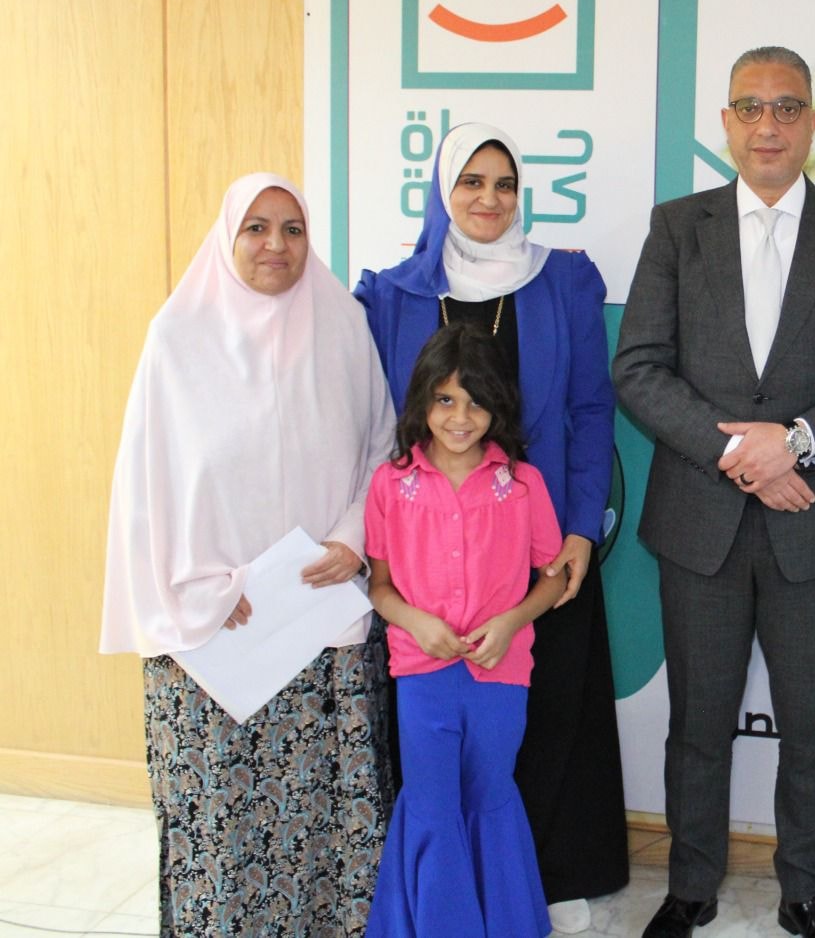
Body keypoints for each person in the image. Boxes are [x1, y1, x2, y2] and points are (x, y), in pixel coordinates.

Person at [613, 45, 815, 938]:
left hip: (811, 525)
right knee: (698, 726)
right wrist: (744, 455)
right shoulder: (678, 228)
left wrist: (797, 444)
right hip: (699, 525)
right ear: (726, 124)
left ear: (813, 121)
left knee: (812, 726)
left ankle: (807, 892)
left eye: (787, 107)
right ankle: (690, 886)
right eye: (750, 107)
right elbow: (638, 369)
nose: (768, 125)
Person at [100, 173, 395, 936]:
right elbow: (146, 485)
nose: (275, 245)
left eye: (293, 229)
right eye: (256, 228)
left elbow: (381, 449)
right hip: (214, 638)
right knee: (220, 831)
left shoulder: (341, 324)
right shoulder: (178, 338)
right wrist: (197, 587)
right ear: (226, 237)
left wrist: (352, 539)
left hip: (319, 627)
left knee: (324, 827)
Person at [357, 122, 626, 931]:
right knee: (442, 752)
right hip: (432, 559)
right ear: (442, 191)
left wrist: (580, 526)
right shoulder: (395, 293)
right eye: (471, 181)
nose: (489, 198)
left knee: (546, 711)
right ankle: (445, 896)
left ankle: (542, 877)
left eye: (505, 184)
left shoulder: (563, 280)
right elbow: (375, 424)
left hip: (540, 537)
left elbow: (591, 409)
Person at [364, 322, 566, 938]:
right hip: (421, 674)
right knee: (431, 803)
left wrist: (511, 621)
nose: (460, 417)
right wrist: (417, 622)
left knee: (490, 794)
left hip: (500, 672)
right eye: (445, 399)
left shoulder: (523, 484)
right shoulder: (391, 484)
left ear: (497, 406)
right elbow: (379, 587)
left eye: (476, 402)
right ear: (423, 401)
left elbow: (554, 579)